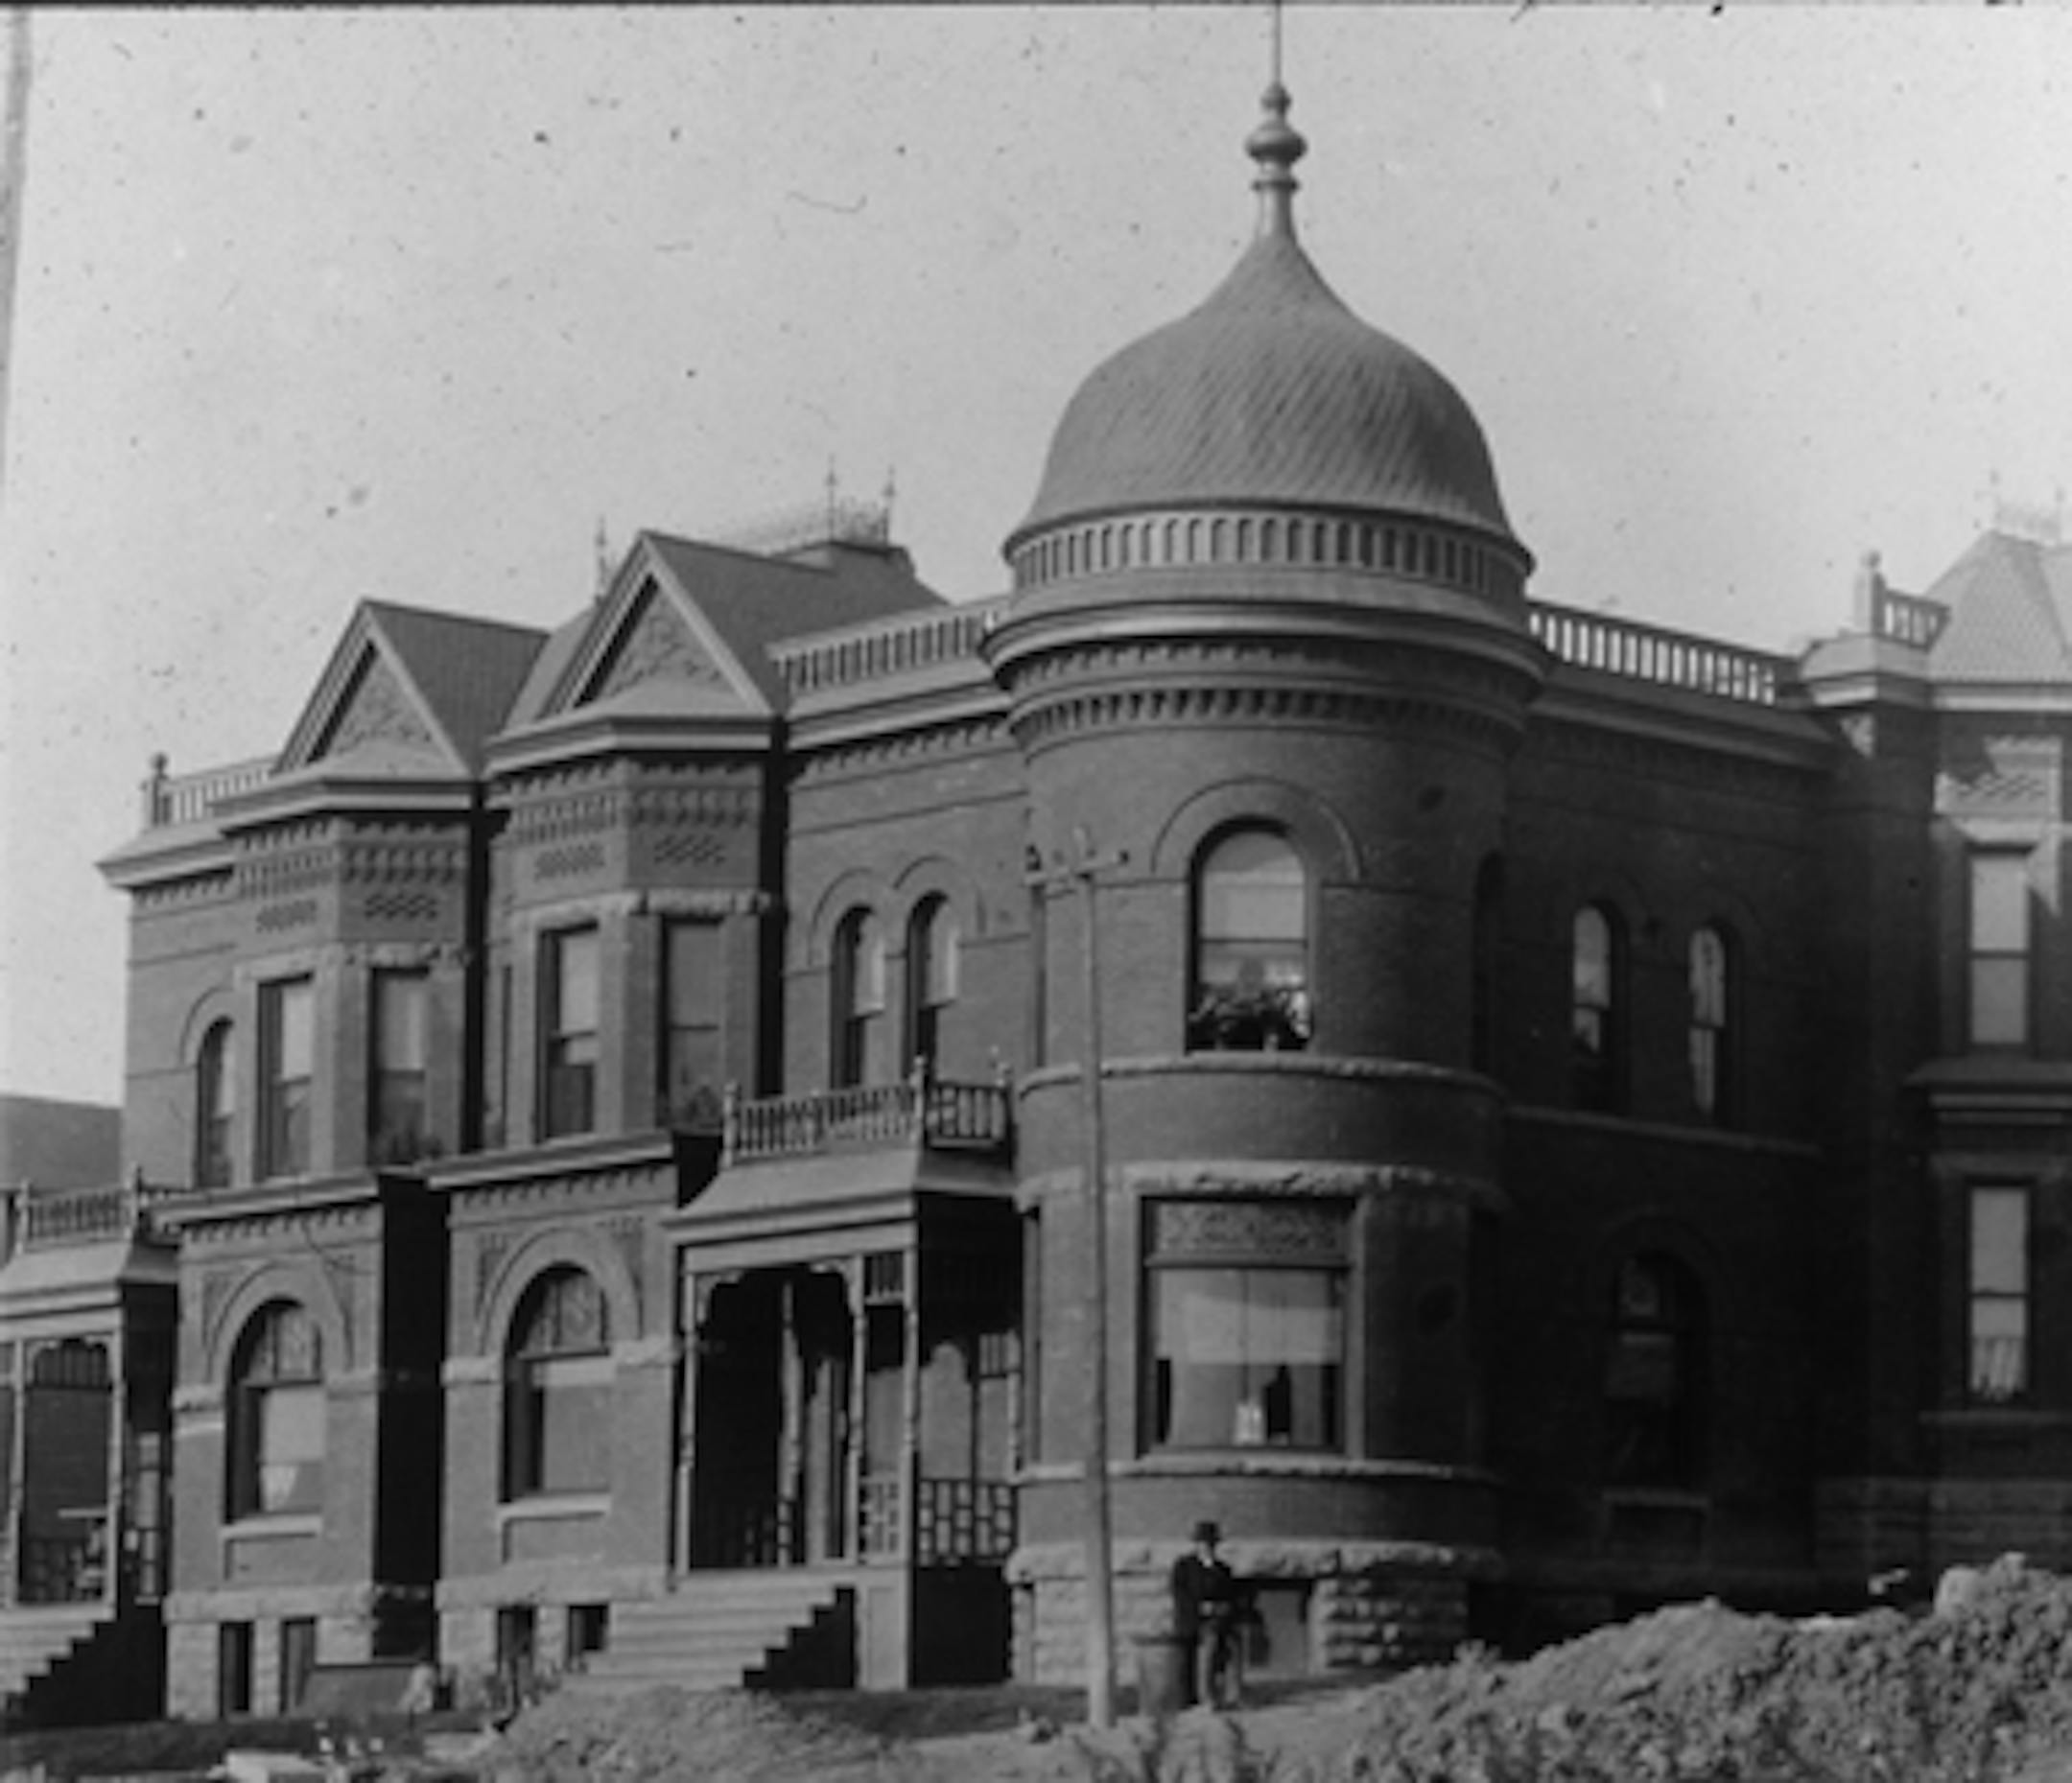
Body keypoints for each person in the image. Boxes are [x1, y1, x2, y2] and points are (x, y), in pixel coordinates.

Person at [1170, 1518, 1243, 1708]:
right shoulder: (1185, 1566)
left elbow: (1232, 1596)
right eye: (1203, 1543)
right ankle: (1206, 1695)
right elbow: (1180, 1595)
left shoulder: (1223, 1569)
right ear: (1196, 1544)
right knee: (1209, 1644)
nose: (1207, 1547)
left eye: (1211, 1544)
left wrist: (1223, 1608)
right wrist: (1201, 1608)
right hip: (1195, 1622)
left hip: (1221, 1620)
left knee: (1234, 1644)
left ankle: (1233, 1694)